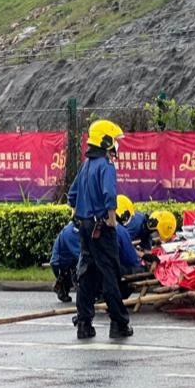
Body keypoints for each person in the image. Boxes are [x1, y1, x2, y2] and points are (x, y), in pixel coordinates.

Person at [67, 119, 133, 340]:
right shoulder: (105, 165)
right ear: (105, 141)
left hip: (85, 227)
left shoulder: (86, 166)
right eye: (113, 140)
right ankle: (119, 324)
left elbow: (72, 195)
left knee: (86, 273)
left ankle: (84, 324)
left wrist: (79, 213)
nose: (115, 145)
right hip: (101, 228)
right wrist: (112, 219)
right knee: (110, 274)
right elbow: (109, 194)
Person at [49, 223, 81, 303]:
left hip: (70, 260)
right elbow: (79, 254)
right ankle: (62, 285)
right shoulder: (71, 232)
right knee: (83, 272)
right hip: (61, 264)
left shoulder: (74, 228)